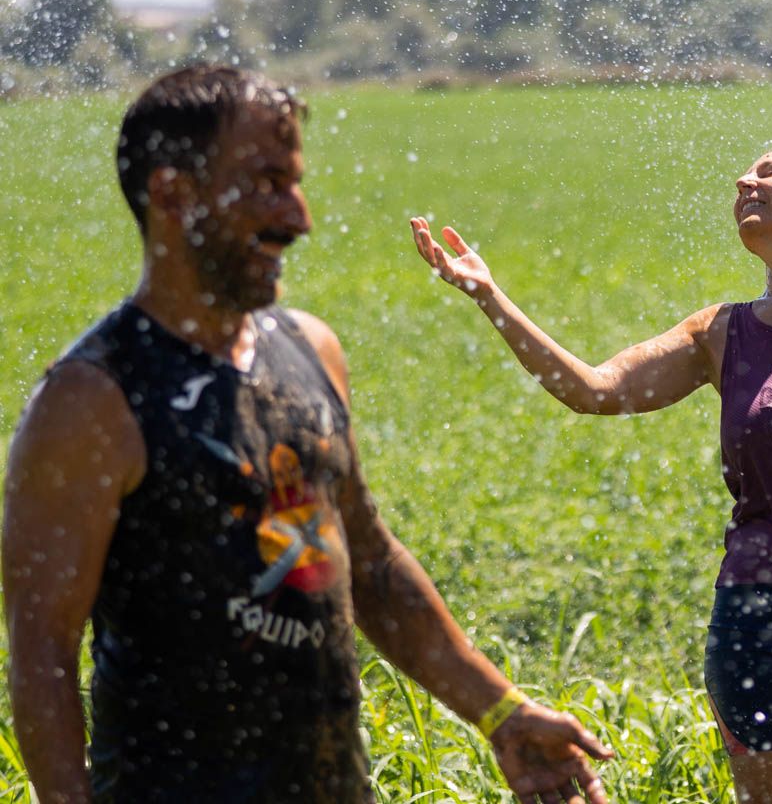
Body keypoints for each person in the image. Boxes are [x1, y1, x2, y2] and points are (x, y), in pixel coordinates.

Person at [3, 65, 613, 804]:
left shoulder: (310, 350)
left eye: (294, 184)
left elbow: (371, 566)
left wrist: (502, 713)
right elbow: (42, 651)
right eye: (266, 184)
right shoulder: (92, 401)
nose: (299, 218)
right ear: (173, 194)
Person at [411, 145, 772, 803]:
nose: (745, 181)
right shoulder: (719, 332)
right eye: (744, 175)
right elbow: (595, 389)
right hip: (756, 616)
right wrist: (489, 296)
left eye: (770, 172)